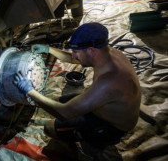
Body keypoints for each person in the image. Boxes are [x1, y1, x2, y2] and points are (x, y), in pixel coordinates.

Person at [13, 23, 141, 151]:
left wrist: (28, 90)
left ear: (91, 51)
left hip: (109, 128)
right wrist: (48, 49)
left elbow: (64, 113)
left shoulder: (109, 81)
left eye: (75, 51)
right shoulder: (110, 52)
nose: (73, 55)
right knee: (58, 101)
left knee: (49, 127)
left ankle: (95, 142)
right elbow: (74, 59)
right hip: (104, 108)